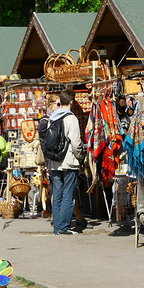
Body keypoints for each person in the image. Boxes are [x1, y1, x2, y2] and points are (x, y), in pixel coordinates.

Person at [39, 90, 83, 235]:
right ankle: (64, 227)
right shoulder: (71, 118)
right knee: (68, 194)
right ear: (71, 102)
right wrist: (81, 156)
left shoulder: (52, 117)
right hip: (69, 161)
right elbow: (76, 143)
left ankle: (57, 227)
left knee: (57, 194)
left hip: (54, 161)